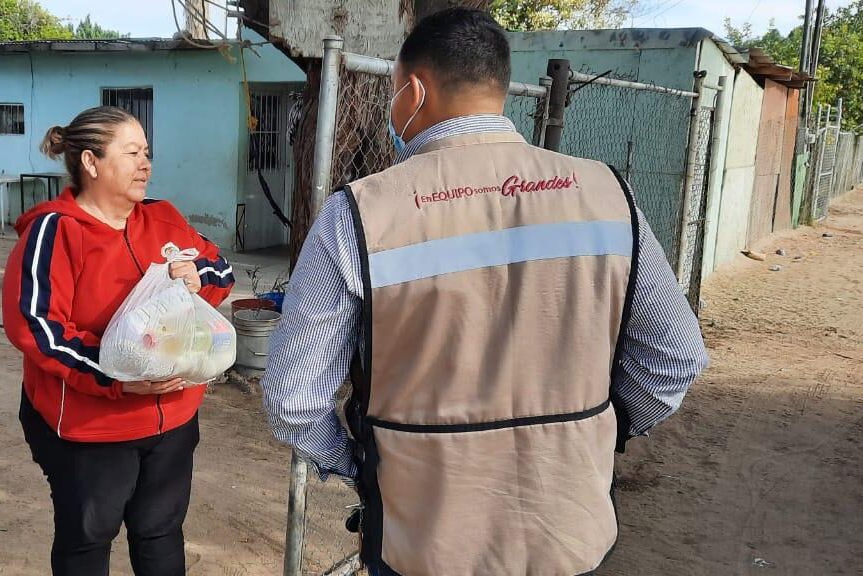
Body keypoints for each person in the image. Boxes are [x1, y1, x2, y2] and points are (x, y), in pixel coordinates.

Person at [261, 8, 708, 576]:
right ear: (497, 86)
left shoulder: (360, 214)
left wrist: (364, 465)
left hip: (422, 539)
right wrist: (589, 429)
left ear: (414, 90)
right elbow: (675, 357)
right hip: (568, 532)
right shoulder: (607, 195)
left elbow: (294, 400)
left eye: (394, 92)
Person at [2, 106, 234, 576]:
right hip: (92, 428)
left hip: (172, 418)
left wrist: (197, 276)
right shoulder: (56, 231)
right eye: (131, 153)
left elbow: (220, 268)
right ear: (91, 162)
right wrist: (116, 378)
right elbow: (37, 327)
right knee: (88, 538)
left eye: (146, 152)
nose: (145, 163)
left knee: (160, 531)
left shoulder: (163, 219)